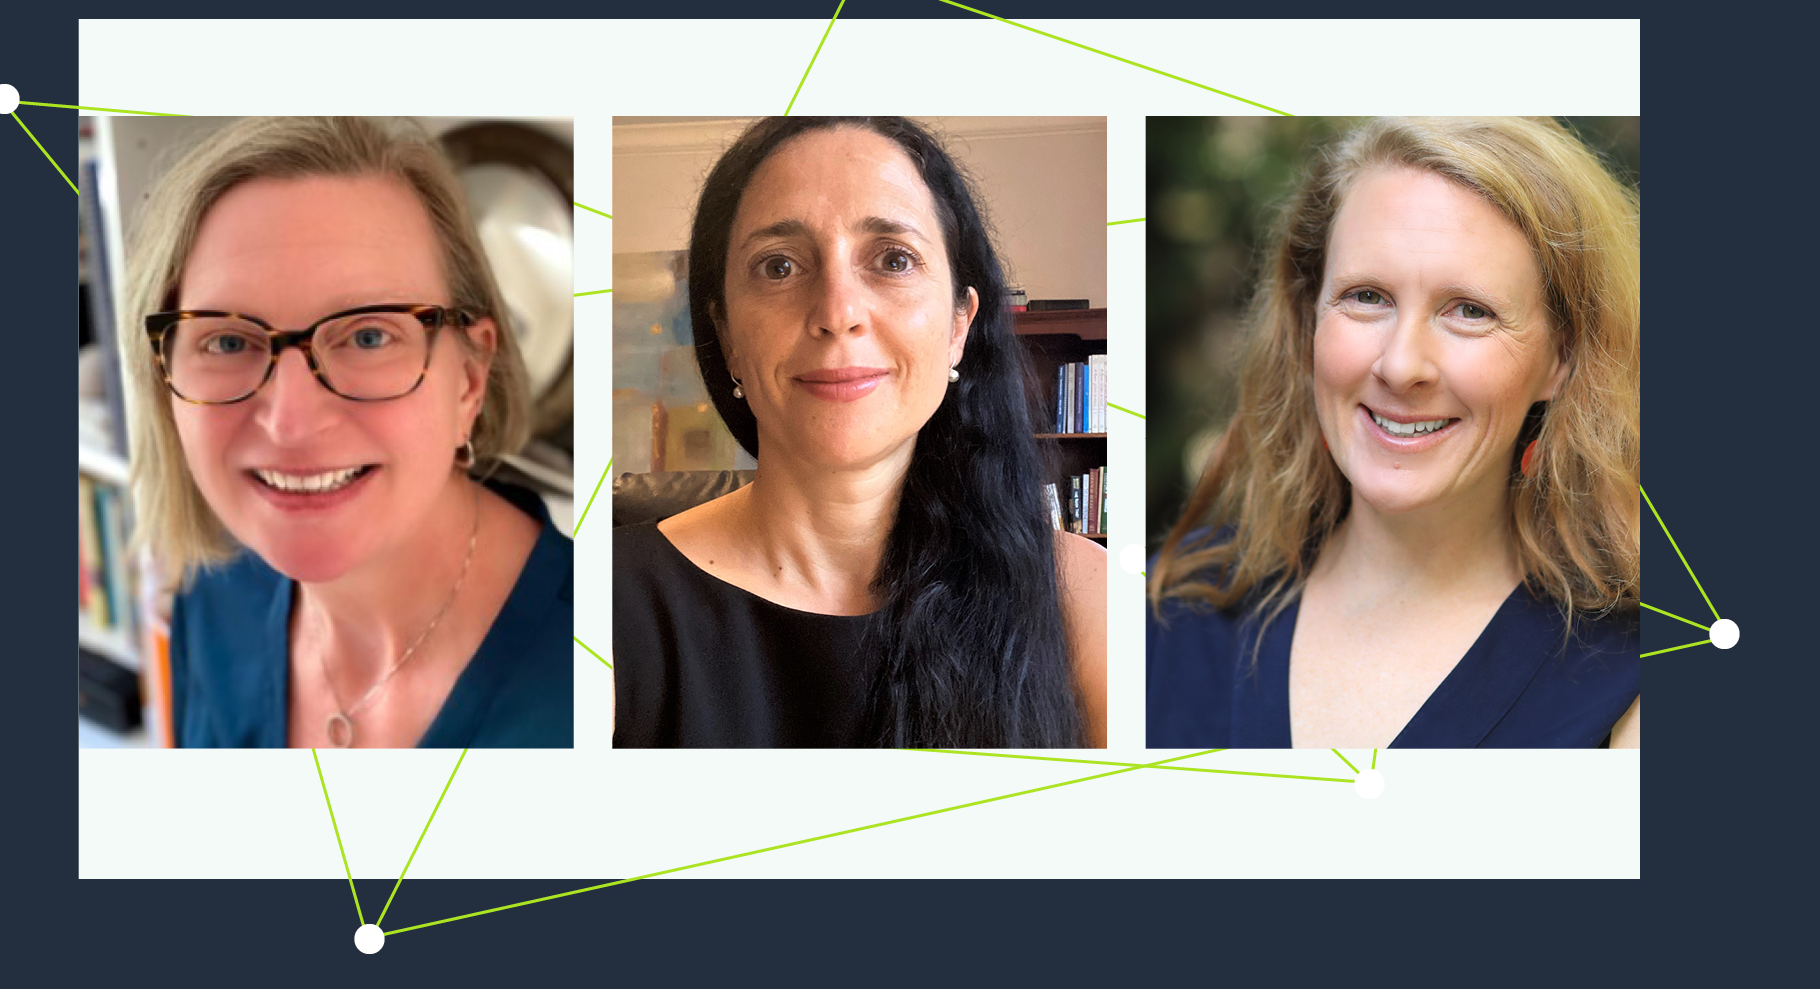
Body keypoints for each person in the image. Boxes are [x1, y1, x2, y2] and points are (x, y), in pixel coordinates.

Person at [612, 116, 1107, 748]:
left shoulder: (1086, 602)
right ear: (728, 336)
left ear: (959, 326)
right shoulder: (593, 607)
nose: (837, 312)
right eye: (779, 266)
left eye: (894, 260)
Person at [1147, 116, 1641, 749]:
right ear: (1308, 324)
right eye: (1367, 297)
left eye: (1470, 310)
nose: (1401, 364)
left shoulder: (1632, 673)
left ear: (1561, 359)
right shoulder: (1169, 617)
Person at [120, 116, 573, 748]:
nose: (291, 422)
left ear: (469, 377)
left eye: (368, 336)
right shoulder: (211, 604)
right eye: (227, 341)